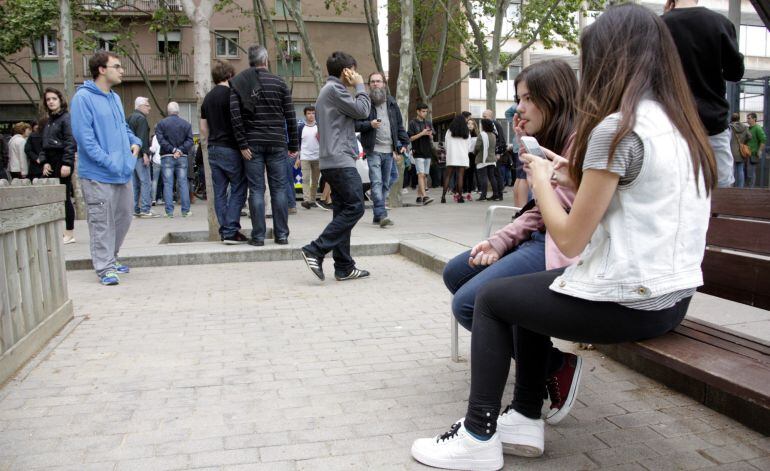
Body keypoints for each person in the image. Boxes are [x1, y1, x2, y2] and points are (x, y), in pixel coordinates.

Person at [412, 5, 716, 469]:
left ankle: (476, 438)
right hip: (673, 298)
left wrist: (538, 180)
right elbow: (637, 196)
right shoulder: (683, 128)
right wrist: (567, 171)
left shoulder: (615, 129)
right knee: (520, 295)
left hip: (630, 299)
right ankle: (525, 417)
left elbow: (571, 240)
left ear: (608, 60)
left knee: (493, 300)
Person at [443, 59, 580, 433]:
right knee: (456, 272)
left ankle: (506, 413)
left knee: (471, 302)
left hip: (560, 243)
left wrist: (539, 178)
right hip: (541, 234)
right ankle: (551, 366)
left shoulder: (581, 142)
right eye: (518, 98)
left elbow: (562, 219)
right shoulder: (549, 139)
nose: (518, 108)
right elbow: (537, 210)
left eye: (526, 98)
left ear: (553, 98)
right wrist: (501, 241)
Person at [70, 51, 143, 286]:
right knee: (102, 221)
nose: (122, 71)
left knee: (124, 217)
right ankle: (104, 268)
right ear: (101, 69)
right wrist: (111, 162)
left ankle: (111, 257)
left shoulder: (115, 98)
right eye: (117, 66)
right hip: (98, 175)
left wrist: (135, 142)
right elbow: (85, 140)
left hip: (122, 172)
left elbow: (122, 128)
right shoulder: (83, 98)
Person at [300, 51, 371, 282]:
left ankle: (344, 266)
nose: (357, 75)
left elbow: (355, 118)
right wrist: (360, 86)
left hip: (333, 159)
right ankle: (316, 249)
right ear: (346, 71)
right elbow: (363, 110)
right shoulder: (335, 90)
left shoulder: (329, 91)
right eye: (355, 70)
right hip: (339, 160)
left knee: (342, 211)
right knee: (356, 207)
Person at [662, 0, 744, 188]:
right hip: (712, 123)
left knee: (673, 190)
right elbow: (735, 73)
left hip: (670, 123)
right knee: (721, 189)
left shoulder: (658, 25)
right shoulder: (719, 23)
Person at [230, 45, 299, 246]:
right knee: (279, 189)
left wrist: (242, 143)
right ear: (266, 60)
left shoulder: (239, 82)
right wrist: (293, 143)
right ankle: (282, 235)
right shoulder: (279, 82)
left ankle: (258, 236)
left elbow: (235, 115)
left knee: (257, 190)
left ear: (249, 61)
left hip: (252, 145)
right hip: (277, 143)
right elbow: (290, 116)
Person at [201, 59, 248, 244]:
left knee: (219, 192)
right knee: (239, 187)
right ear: (229, 76)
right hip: (231, 148)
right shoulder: (232, 95)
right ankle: (230, 231)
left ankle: (226, 231)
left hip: (213, 148)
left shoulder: (208, 98)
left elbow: (203, 128)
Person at [356, 71, 409, 227]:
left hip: (389, 150)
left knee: (386, 182)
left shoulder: (392, 103)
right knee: (377, 181)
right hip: (372, 150)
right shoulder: (364, 103)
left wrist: (404, 144)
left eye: (378, 81)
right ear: (369, 85)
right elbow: (356, 125)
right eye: (372, 81)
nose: (375, 84)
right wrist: (369, 124)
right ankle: (381, 213)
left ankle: (376, 214)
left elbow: (399, 126)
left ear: (384, 84)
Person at [39, 88, 78, 244]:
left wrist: (67, 163)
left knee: (64, 198)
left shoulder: (66, 118)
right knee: (50, 197)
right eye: (48, 99)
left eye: (54, 98)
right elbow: (44, 144)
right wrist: (44, 161)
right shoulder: (48, 122)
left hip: (62, 160)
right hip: (51, 161)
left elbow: (70, 141)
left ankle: (69, 233)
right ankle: (57, 231)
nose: (51, 102)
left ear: (60, 100)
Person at [155, 101, 194, 218]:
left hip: (167, 156)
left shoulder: (161, 124)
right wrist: (180, 150)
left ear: (168, 111)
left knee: (168, 183)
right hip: (182, 156)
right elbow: (190, 141)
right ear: (178, 111)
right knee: (183, 182)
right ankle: (186, 211)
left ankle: (169, 212)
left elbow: (161, 140)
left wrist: (172, 150)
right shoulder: (186, 124)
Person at [127, 96, 157, 218]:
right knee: (145, 182)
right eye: (147, 105)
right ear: (140, 106)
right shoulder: (141, 119)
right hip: (140, 155)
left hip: (130, 155)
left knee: (134, 184)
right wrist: (145, 154)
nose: (149, 108)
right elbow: (142, 137)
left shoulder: (129, 118)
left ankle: (135, 209)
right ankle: (145, 208)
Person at [408, 103, 434, 205]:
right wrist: (422, 133)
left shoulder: (428, 123)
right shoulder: (412, 123)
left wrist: (430, 135)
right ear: (418, 111)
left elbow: (432, 136)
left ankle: (419, 196)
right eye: (423, 111)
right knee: (421, 174)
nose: (425, 113)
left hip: (427, 151)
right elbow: (410, 138)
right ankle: (424, 196)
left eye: (426, 111)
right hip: (418, 152)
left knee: (424, 175)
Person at [442, 115, 470, 203]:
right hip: (462, 156)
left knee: (448, 176)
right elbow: (468, 146)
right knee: (460, 176)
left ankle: (443, 197)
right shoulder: (466, 132)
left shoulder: (449, 131)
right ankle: (460, 197)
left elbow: (446, 144)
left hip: (452, 156)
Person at [298, 106, 321, 210]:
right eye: (309, 113)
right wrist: (298, 157)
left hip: (317, 157)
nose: (311, 115)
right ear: (305, 115)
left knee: (315, 180)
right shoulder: (301, 127)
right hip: (305, 157)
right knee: (306, 179)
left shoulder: (319, 126)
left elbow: (324, 142)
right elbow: (298, 143)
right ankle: (306, 200)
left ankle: (312, 200)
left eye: (313, 113)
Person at [482, 109, 507, 198]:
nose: (483, 118)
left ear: (490, 116)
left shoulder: (494, 124)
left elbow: (500, 139)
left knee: (496, 173)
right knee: (494, 174)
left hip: (495, 153)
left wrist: (498, 153)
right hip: (493, 153)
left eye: (485, 116)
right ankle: (497, 194)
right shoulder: (491, 125)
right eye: (483, 116)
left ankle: (499, 194)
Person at [474, 119, 501, 201]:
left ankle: (483, 195)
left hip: (483, 159)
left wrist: (475, 152)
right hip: (492, 159)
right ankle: (496, 195)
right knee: (492, 177)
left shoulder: (481, 135)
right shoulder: (493, 135)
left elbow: (477, 147)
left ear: (484, 126)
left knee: (483, 177)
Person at [729, 113, 751, 188]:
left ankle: (732, 186)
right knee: (740, 169)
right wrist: (744, 142)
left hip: (731, 151)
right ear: (739, 119)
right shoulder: (745, 127)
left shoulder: (730, 127)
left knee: (732, 170)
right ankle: (740, 187)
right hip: (741, 152)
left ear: (731, 119)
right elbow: (750, 136)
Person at [747, 112, 766, 188]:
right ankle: (749, 188)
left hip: (753, 154)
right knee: (749, 172)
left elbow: (763, 140)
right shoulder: (748, 128)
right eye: (747, 118)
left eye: (749, 118)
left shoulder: (757, 128)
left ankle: (751, 189)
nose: (747, 120)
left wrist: (759, 151)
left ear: (754, 119)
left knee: (751, 173)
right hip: (747, 153)